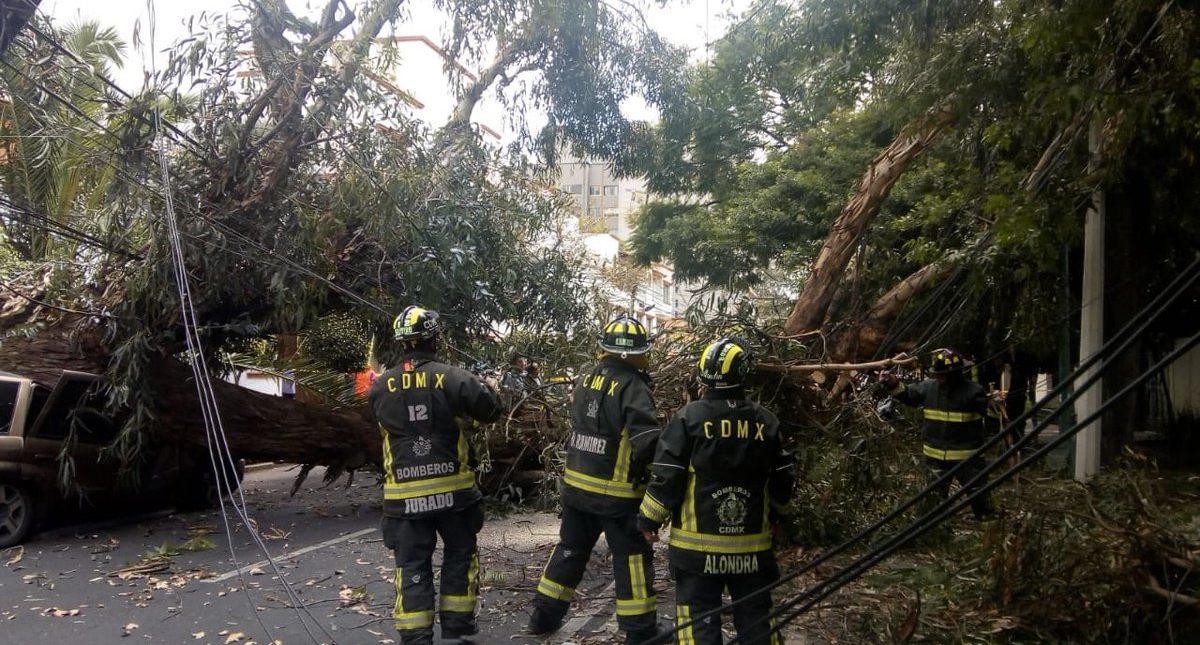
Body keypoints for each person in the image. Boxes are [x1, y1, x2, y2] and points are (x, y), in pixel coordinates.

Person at [637, 337, 795, 645]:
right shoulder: (766, 421)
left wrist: (648, 520)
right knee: (757, 619)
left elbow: (668, 476)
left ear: (702, 374)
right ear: (745, 374)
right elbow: (782, 479)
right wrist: (778, 517)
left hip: (698, 552)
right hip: (751, 550)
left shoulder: (688, 419)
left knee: (698, 622)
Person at [367, 306, 503, 645]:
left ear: (401, 344)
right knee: (459, 555)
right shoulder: (454, 378)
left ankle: (415, 636)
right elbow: (491, 409)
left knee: (411, 564)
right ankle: (456, 627)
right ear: (434, 339)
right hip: (454, 496)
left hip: (404, 499)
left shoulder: (380, 388)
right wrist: (489, 385)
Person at [528, 314, 662, 644]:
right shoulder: (634, 387)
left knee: (570, 551)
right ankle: (641, 632)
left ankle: (543, 617)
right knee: (631, 560)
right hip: (616, 496)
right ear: (634, 355)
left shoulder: (587, 379)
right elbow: (647, 442)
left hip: (577, 488)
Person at [878, 347, 996, 521]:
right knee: (931, 505)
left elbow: (993, 419)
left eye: (942, 375)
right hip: (935, 457)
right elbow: (909, 395)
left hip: (968, 459)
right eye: (937, 374)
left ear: (955, 374)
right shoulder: (929, 388)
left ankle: (989, 529)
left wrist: (996, 403)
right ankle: (934, 530)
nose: (939, 378)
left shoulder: (973, 392)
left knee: (980, 499)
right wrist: (893, 384)